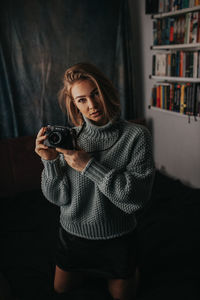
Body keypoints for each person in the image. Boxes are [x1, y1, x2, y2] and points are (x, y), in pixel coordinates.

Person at [35, 62, 155, 300]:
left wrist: (88, 166)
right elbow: (57, 197)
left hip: (118, 238)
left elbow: (136, 199)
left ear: (106, 90)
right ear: (74, 105)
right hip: (73, 235)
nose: (92, 105)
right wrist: (49, 162)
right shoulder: (69, 139)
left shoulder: (137, 136)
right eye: (81, 100)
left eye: (95, 94)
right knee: (60, 289)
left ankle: (131, 267)